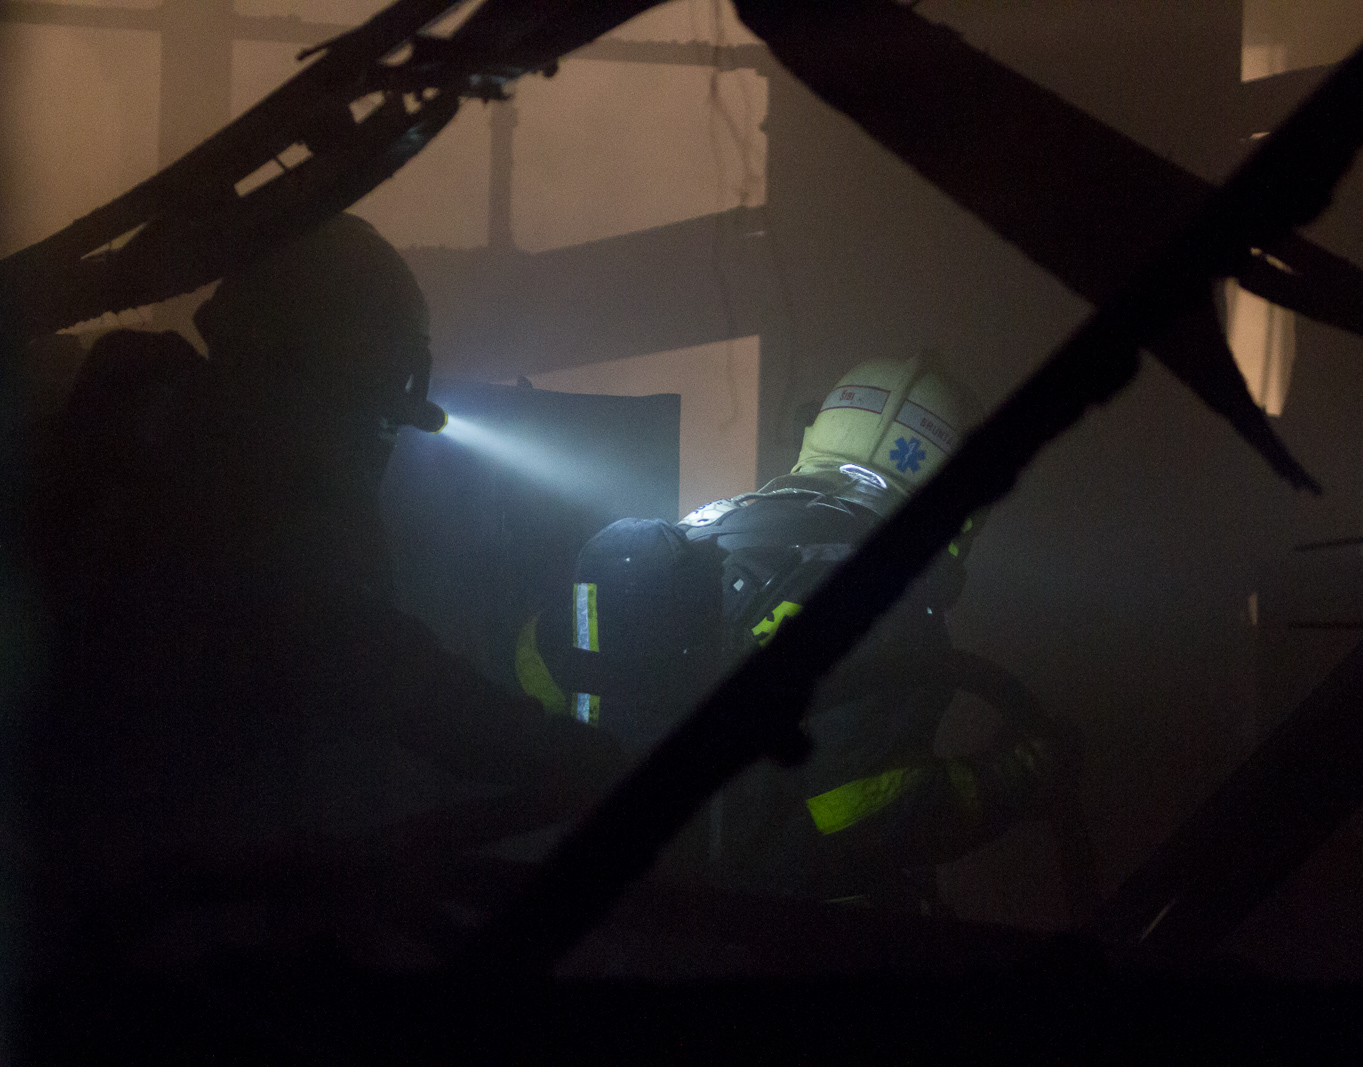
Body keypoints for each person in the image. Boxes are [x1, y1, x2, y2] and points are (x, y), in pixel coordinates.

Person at [21, 214, 623, 980]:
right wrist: (568, 755)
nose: (377, 431)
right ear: (318, 367)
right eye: (374, 396)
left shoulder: (151, 438)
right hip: (121, 934)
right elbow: (369, 661)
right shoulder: (221, 482)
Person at [527, 353, 1095, 914]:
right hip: (762, 935)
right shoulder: (887, 594)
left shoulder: (701, 529)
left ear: (816, 436)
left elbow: (540, 672)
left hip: (606, 909)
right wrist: (1020, 774)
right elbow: (877, 817)